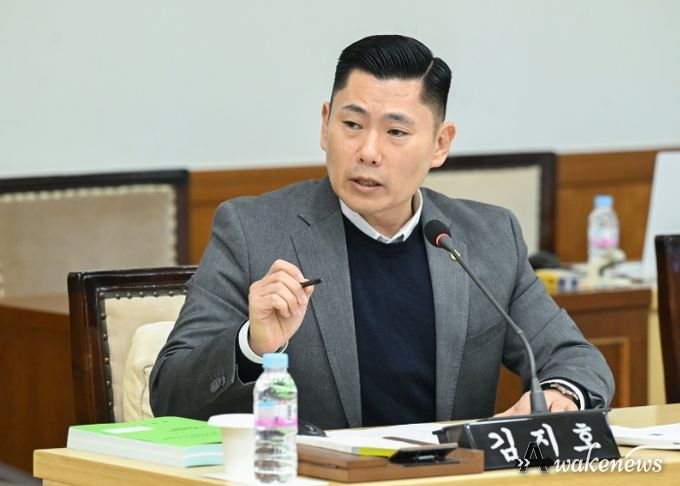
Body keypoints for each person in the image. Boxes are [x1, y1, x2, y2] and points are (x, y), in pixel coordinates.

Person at [150, 34, 614, 428]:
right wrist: (252, 345)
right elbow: (169, 396)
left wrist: (561, 396)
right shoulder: (253, 230)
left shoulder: (487, 238)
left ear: (440, 144)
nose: (368, 151)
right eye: (352, 124)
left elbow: (577, 361)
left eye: (396, 133)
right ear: (325, 125)